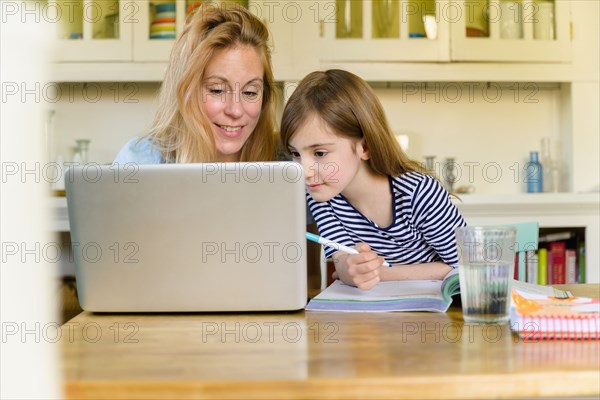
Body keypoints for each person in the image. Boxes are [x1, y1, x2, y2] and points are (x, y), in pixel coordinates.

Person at [280, 69, 466, 290]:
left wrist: (380, 274)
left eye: (319, 153)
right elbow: (341, 261)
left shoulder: (418, 192)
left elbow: (469, 266)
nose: (305, 171)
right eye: (296, 154)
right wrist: (351, 269)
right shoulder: (321, 195)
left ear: (364, 147)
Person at [114, 4, 277, 164]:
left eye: (250, 92)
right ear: (185, 91)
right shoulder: (140, 162)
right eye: (217, 90)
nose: (235, 110)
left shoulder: (287, 162)